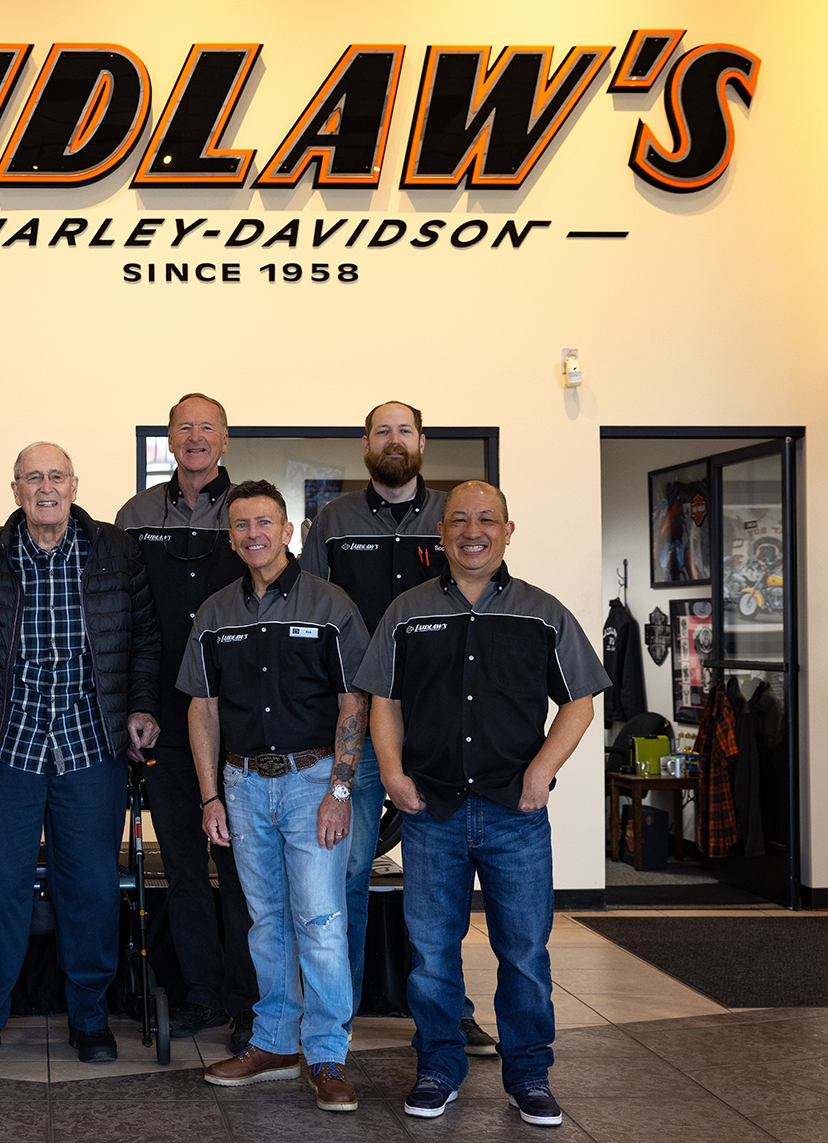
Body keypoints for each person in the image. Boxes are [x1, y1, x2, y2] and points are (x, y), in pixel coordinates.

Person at [354, 481, 608, 1127]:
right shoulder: (406, 611)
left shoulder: (542, 612)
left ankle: (529, 1075)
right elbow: (383, 697)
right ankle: (438, 1063)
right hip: (430, 811)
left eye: (486, 519)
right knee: (432, 949)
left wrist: (541, 772)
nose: (474, 529)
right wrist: (390, 771)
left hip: (514, 815)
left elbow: (581, 695)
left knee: (523, 949)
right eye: (460, 519)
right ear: (440, 534)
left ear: (508, 529)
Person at [0, 442, 160, 1066]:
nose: (46, 486)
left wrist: (141, 707)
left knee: (88, 886)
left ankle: (89, 1016)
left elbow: (144, 641)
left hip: (92, 743)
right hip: (6, 746)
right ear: (15, 491)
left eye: (56, 475)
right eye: (33, 477)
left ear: (75, 485)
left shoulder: (116, 549)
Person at [299, 400, 496, 1057]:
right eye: (381, 429)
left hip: (436, 722)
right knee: (346, 875)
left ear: (421, 441)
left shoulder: (454, 519)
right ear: (365, 442)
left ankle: (448, 1011)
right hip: (355, 719)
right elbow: (316, 619)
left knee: (438, 881)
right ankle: (337, 1016)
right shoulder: (333, 520)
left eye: (402, 429)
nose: (392, 439)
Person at [180, 480, 368, 1114]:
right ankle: (274, 1042)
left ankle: (326, 1055)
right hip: (241, 784)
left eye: (264, 522)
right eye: (240, 526)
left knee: (319, 921)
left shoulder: (331, 603)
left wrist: (340, 790)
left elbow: (353, 703)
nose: (252, 534)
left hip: (314, 780)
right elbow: (202, 710)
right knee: (266, 924)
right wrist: (211, 797)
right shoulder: (214, 613)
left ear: (288, 530)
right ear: (229, 536)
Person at [115, 392, 257, 1050]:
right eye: (184, 428)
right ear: (168, 441)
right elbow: (125, 623)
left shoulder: (251, 510)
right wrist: (134, 705)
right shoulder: (136, 515)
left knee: (242, 870)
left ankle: (249, 1001)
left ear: (225, 438)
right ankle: (202, 992)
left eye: (208, 427)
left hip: (248, 724)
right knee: (182, 863)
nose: (195, 438)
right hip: (167, 721)